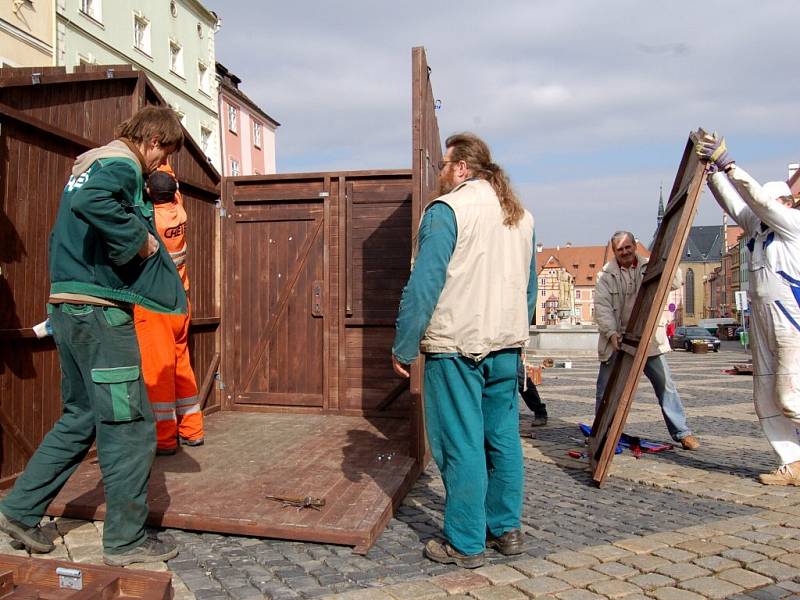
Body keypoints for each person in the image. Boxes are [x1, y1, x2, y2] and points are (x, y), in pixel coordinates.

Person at [0, 106, 186, 566]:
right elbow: (95, 205)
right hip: (101, 315)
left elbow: (66, 227)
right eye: (163, 155)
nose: (159, 165)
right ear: (154, 142)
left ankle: (19, 510)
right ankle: (125, 543)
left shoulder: (85, 166)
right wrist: (140, 243)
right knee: (128, 428)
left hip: (68, 308)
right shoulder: (120, 164)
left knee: (81, 416)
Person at [392, 133, 536, 568]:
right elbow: (528, 292)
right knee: (503, 440)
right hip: (506, 347)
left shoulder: (448, 210)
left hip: (456, 346)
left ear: (460, 168)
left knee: (461, 443)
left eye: (443, 164)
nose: (439, 173)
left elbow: (425, 283)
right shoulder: (522, 217)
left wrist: (404, 345)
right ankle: (506, 529)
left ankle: (465, 541)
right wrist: (513, 332)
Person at [698, 133, 800, 485]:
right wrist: (712, 174)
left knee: (790, 395)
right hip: (761, 317)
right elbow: (735, 205)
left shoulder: (793, 225)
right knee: (765, 395)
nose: (761, 211)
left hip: (791, 320)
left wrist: (730, 165)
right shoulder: (758, 229)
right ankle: (792, 461)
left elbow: (759, 202)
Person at [594, 231, 700, 450]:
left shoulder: (649, 266)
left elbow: (676, 282)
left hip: (648, 337)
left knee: (666, 385)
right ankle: (601, 434)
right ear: (614, 252)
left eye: (627, 247)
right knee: (605, 390)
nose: (624, 252)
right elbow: (602, 308)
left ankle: (682, 432)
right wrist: (612, 334)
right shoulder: (605, 275)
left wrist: (668, 262)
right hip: (617, 338)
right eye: (619, 249)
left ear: (635, 246)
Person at [135, 166, 204, 455]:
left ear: (149, 194)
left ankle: (164, 439)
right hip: (180, 303)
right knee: (181, 366)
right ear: (174, 192)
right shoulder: (179, 211)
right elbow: (170, 182)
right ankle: (192, 429)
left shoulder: (150, 220)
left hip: (156, 305)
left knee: (159, 372)